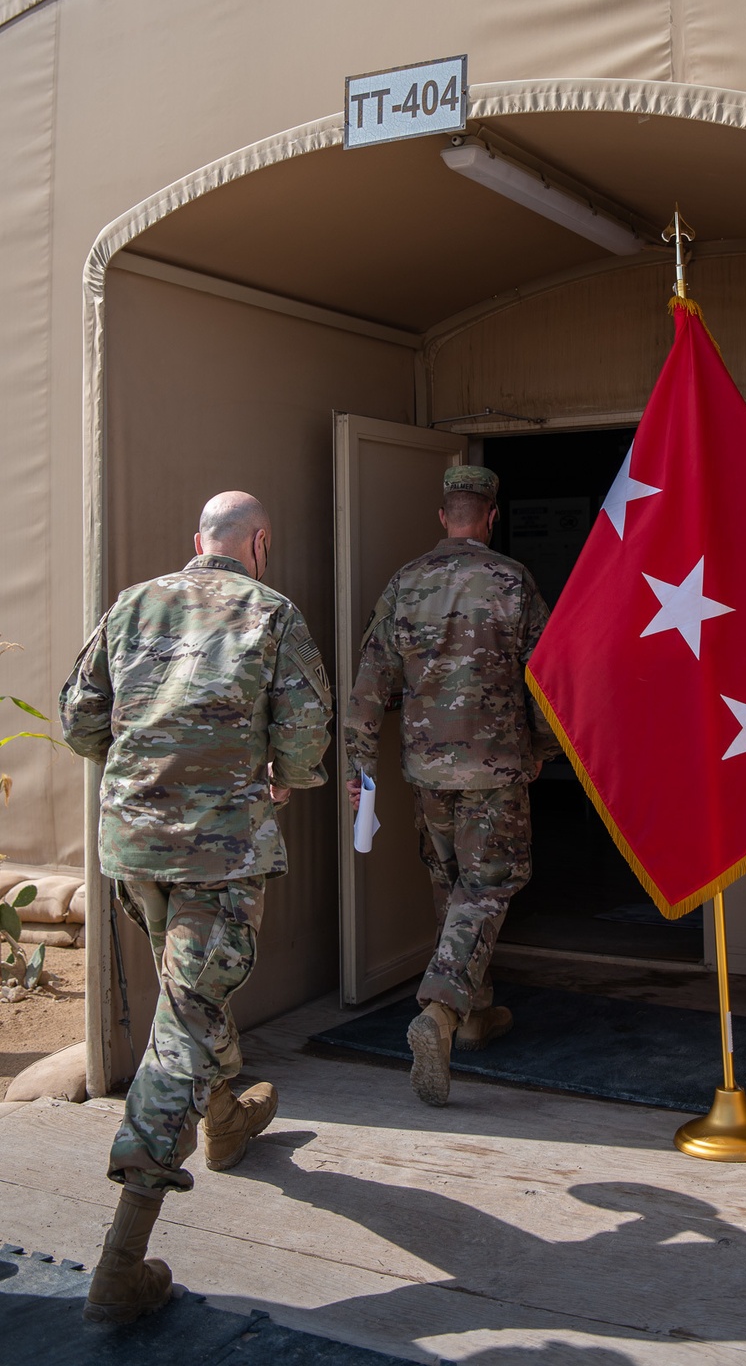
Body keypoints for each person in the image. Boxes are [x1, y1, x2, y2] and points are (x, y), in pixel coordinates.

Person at [60, 490, 332, 1324]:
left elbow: (80, 718)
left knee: (188, 996)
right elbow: (307, 729)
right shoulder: (271, 609)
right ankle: (121, 1261)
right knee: (184, 1018)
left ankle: (223, 1117)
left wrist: (146, 775)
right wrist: (283, 777)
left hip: (136, 845)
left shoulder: (134, 602)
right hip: (219, 850)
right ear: (261, 543)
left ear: (196, 542)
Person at [344, 465, 560, 1108]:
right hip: (495, 769)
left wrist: (361, 775)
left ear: (444, 517)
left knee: (452, 885)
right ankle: (439, 1012)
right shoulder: (511, 581)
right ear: (492, 516)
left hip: (427, 770)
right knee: (487, 887)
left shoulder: (405, 583)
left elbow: (367, 689)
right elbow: (547, 677)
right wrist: (547, 749)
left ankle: (473, 1013)